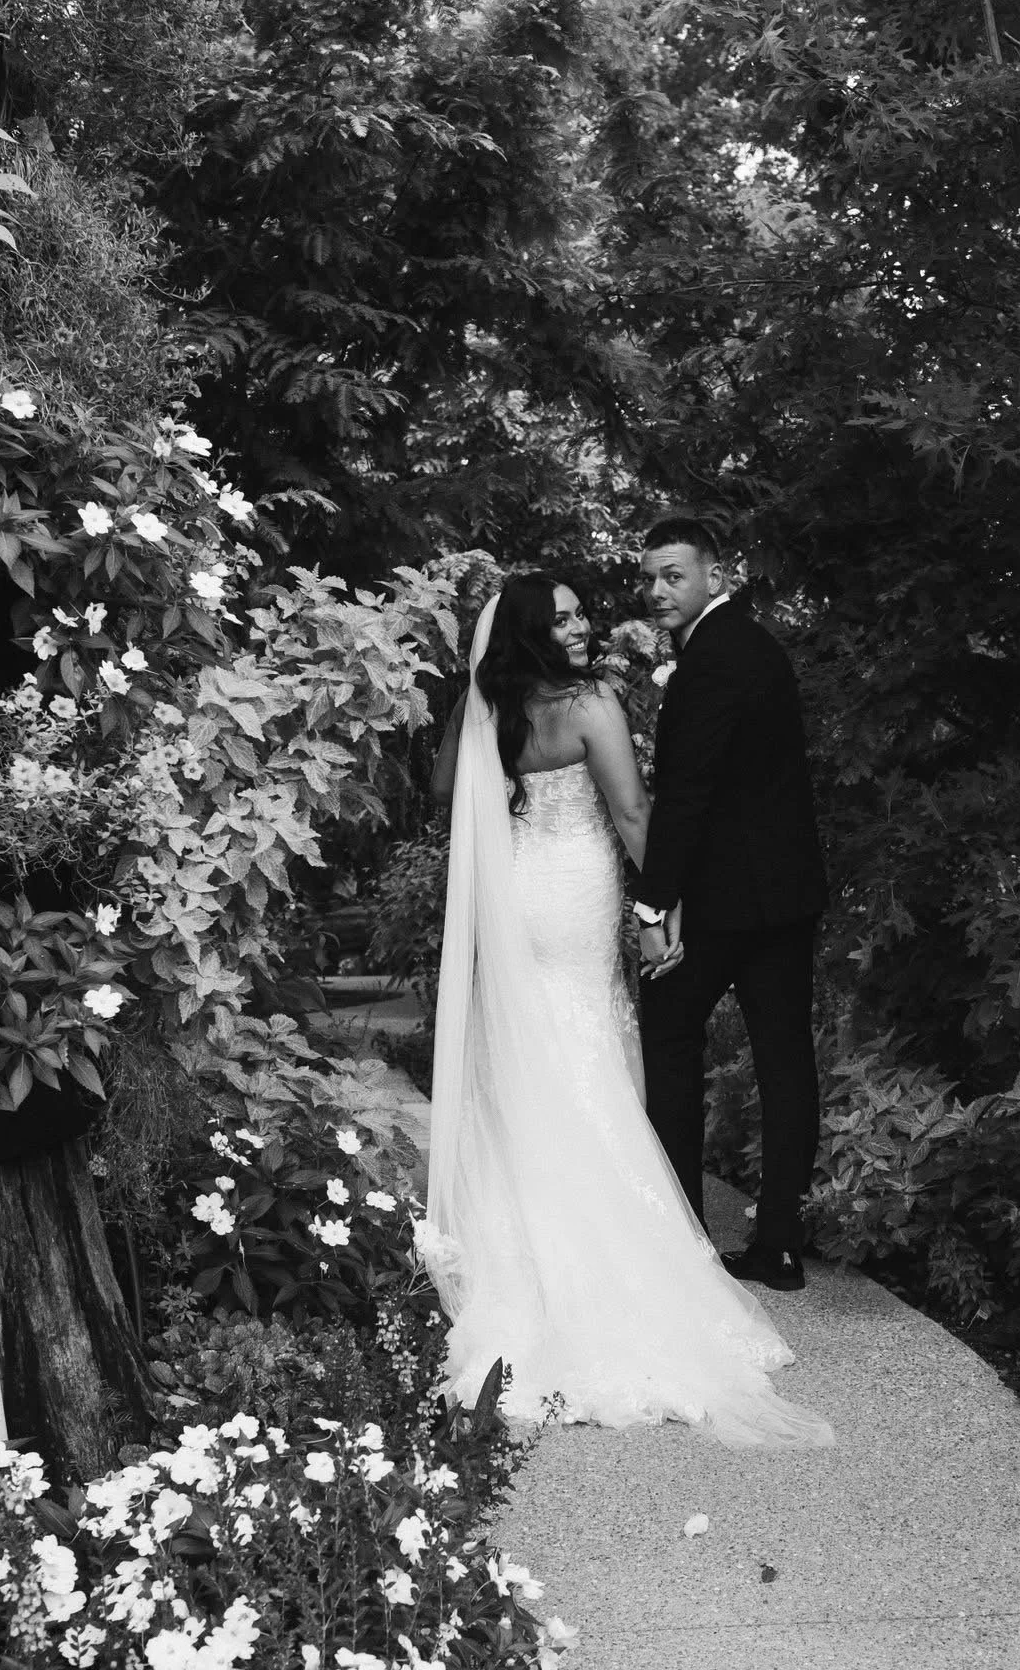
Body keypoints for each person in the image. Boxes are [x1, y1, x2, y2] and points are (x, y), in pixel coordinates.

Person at [423, 572, 833, 1447]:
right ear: (535, 629)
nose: (582, 625)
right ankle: (613, 1254)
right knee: (590, 1049)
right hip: (574, 891)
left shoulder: (481, 708)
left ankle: (524, 1251)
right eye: (565, 617)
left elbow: (445, 794)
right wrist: (662, 907)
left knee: (531, 1055)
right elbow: (634, 809)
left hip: (514, 891)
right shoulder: (591, 704)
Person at [633, 517, 827, 1293]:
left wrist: (653, 907)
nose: (657, 591)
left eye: (673, 575)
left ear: (716, 574)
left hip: (725, 902)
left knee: (668, 1035)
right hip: (785, 893)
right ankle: (778, 1244)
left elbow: (688, 794)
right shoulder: (754, 645)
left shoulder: (712, 661)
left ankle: (683, 1239)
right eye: (650, 578)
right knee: (785, 1059)